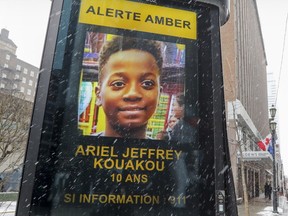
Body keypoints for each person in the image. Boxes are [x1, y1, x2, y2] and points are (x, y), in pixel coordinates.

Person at [95, 36, 163, 139]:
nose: (133, 93)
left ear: (159, 94)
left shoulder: (170, 154)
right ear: (98, 94)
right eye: (118, 84)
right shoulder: (79, 151)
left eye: (147, 84)